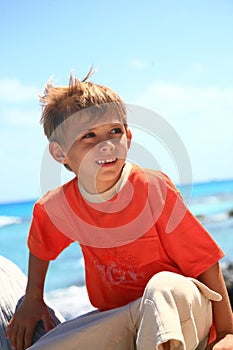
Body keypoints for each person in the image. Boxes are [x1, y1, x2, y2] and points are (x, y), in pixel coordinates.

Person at [7, 68, 233, 350]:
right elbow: (41, 246)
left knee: (161, 287)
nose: (107, 144)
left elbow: (205, 261)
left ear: (127, 136)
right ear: (60, 153)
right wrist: (33, 298)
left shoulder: (153, 189)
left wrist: (226, 332)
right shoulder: (58, 206)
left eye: (114, 131)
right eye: (89, 136)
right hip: (122, 315)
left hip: (181, 309)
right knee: (50, 344)